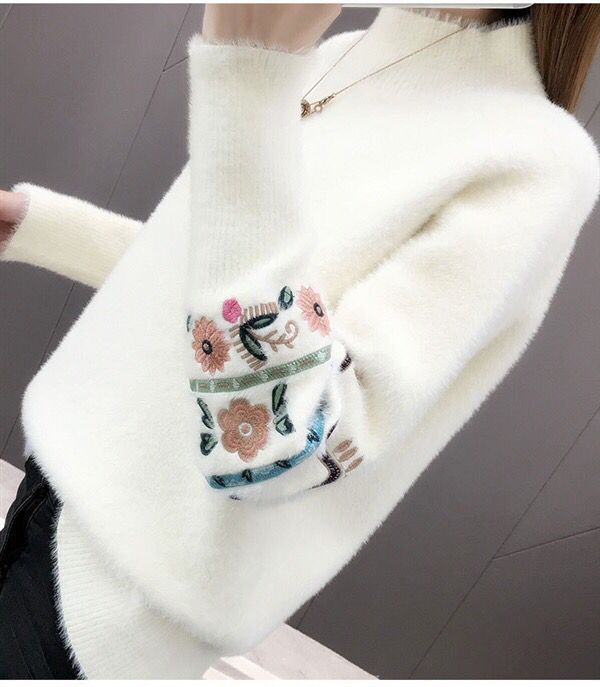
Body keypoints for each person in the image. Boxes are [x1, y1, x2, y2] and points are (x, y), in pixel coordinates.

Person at [1, 3, 599, 679]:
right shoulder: (339, 53)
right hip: (55, 485)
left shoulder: (538, 161)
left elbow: (288, 437)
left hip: (110, 604)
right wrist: (37, 227)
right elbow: (216, 292)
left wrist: (244, 80)